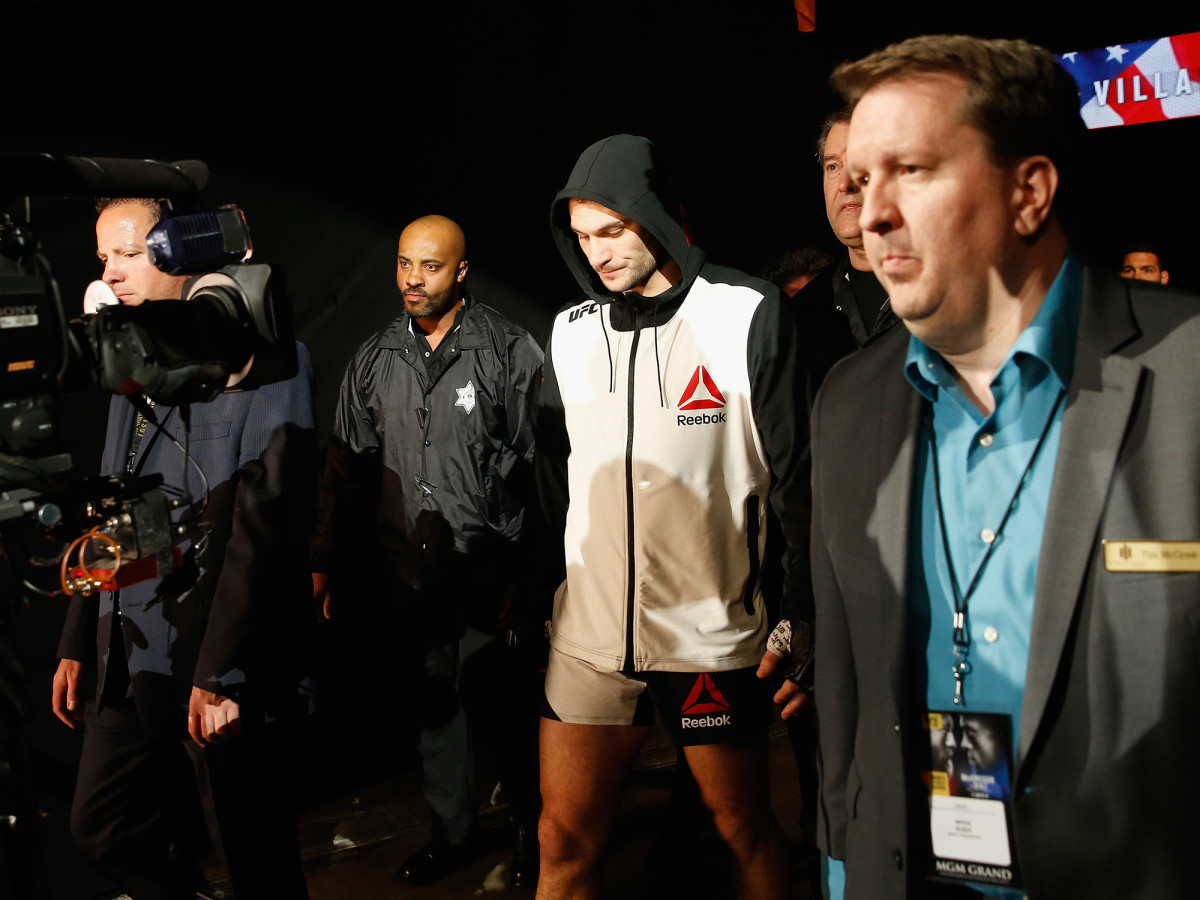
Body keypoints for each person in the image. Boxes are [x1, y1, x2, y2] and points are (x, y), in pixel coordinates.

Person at [810, 34, 1200, 899]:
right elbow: (844, 678)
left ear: (1029, 193)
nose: (869, 212)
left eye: (910, 171)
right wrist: (843, 856)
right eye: (860, 178)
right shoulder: (847, 403)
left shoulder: (1189, 376)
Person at [537, 133, 813, 899]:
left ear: (656, 214)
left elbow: (798, 481)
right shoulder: (571, 333)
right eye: (582, 236)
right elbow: (556, 475)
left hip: (706, 638)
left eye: (613, 229)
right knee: (561, 838)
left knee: (741, 828)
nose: (597, 253)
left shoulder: (746, 313)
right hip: (590, 641)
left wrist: (802, 610)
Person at [52, 197, 314, 898]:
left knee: (253, 856)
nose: (112, 271)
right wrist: (79, 640)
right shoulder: (126, 357)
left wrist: (222, 672)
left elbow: (262, 528)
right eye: (103, 256)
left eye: (128, 253)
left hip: (214, 657)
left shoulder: (271, 359)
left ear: (183, 252)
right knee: (103, 827)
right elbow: (112, 508)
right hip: (128, 646)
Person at [311, 215, 544, 889]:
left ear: (461, 271)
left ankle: (535, 831)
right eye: (405, 264)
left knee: (503, 707)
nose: (413, 280)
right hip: (410, 571)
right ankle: (453, 834)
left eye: (431, 267)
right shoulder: (376, 358)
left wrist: (527, 575)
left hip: (487, 569)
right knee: (435, 710)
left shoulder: (506, 350)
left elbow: (541, 468)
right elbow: (344, 466)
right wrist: (322, 557)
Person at [800, 108, 900, 348]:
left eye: (860, 163)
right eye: (833, 167)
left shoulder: (952, 291)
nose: (845, 183)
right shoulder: (801, 313)